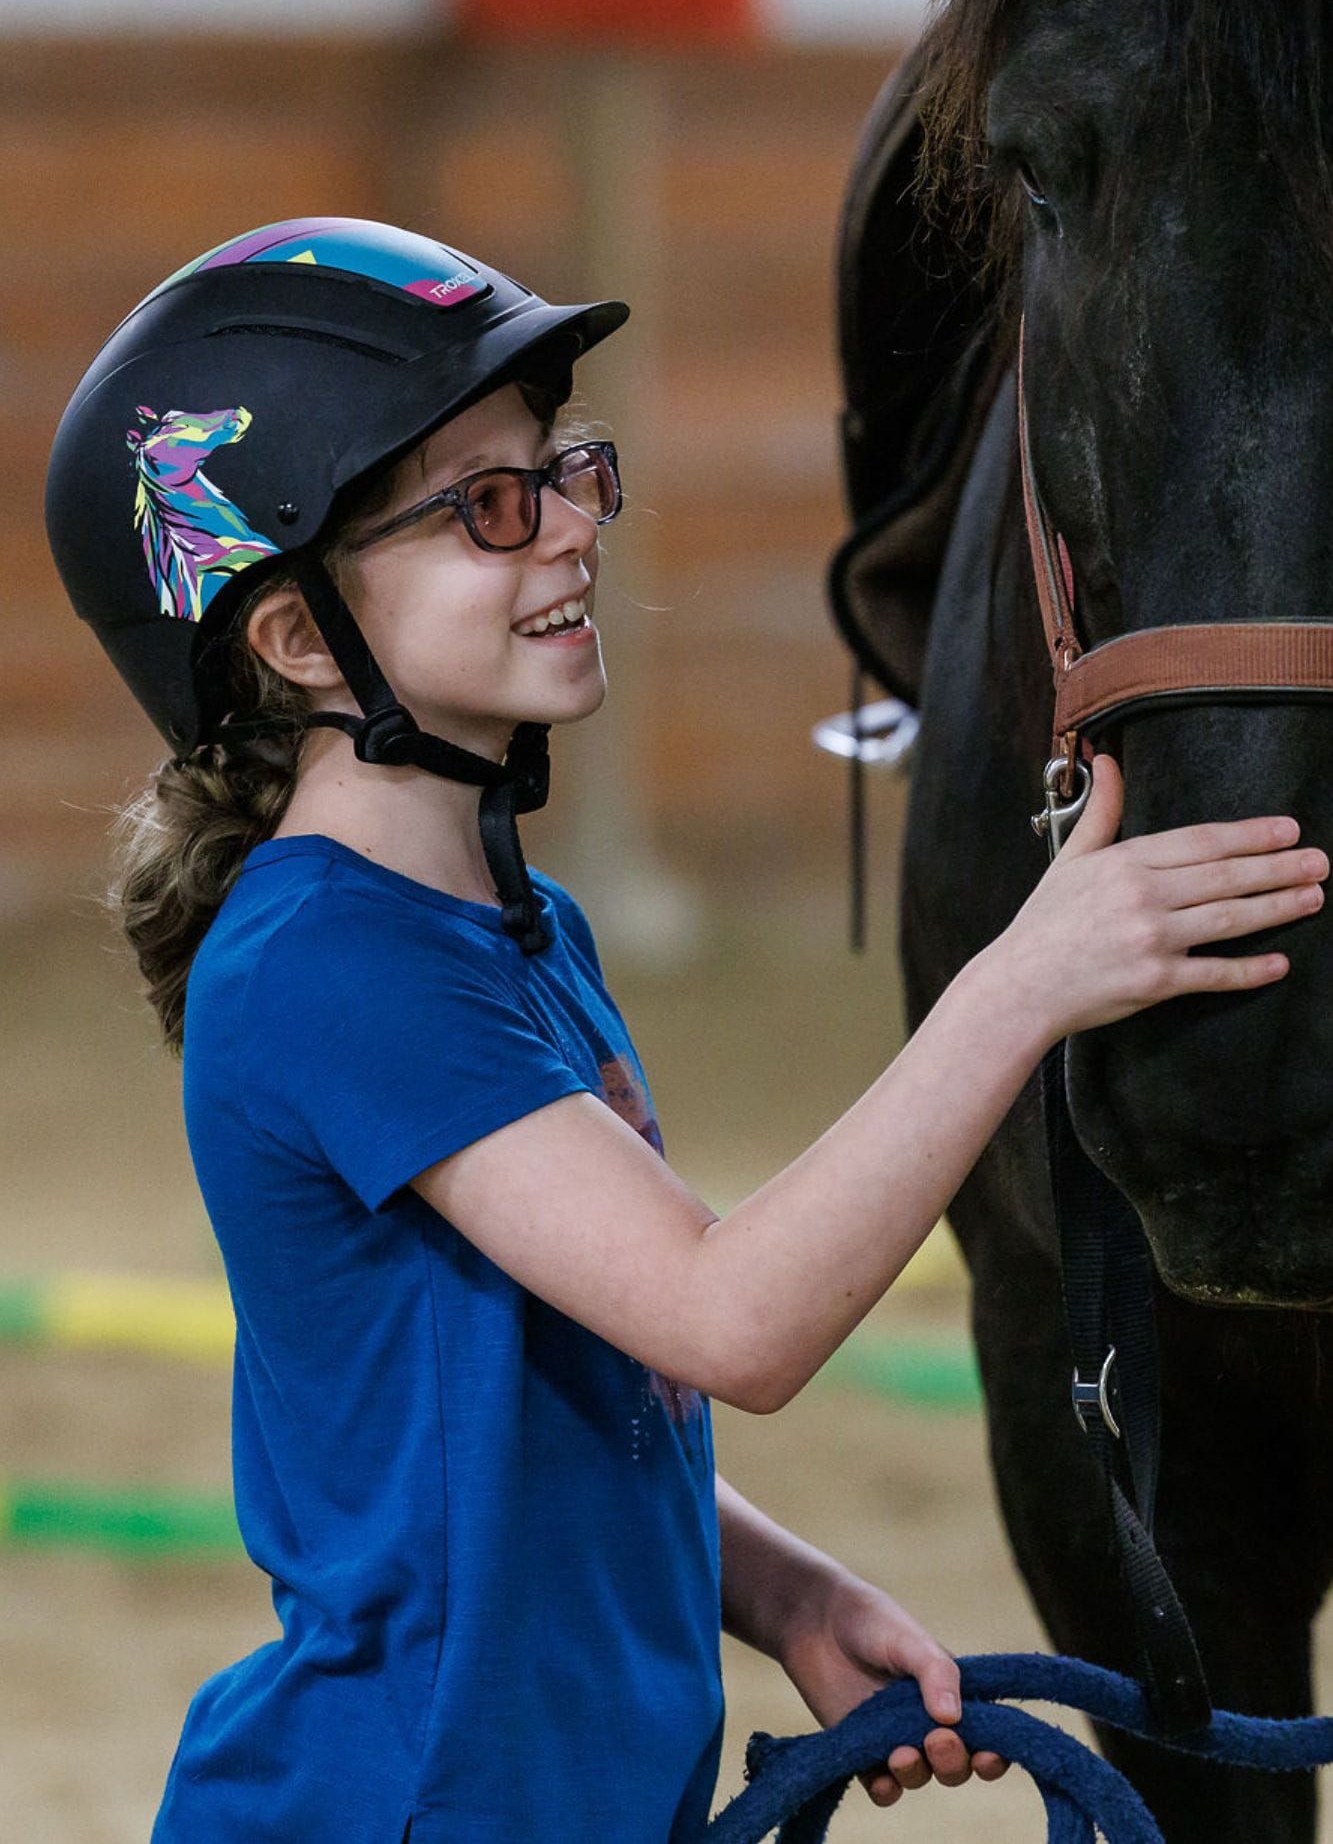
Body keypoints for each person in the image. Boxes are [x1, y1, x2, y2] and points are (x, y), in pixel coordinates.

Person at [45, 219, 1328, 1844]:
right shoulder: (327, 968)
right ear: (298, 640)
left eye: (567, 472)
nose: (569, 535)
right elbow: (726, 1324)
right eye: (486, 510)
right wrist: (1024, 977)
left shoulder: (514, 932)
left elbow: (546, 1410)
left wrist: (785, 1594)